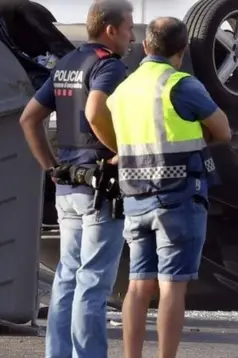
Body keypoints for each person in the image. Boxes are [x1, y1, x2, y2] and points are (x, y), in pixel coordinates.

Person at [102, 16, 231, 358]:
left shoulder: (123, 90)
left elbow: (108, 122)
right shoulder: (182, 85)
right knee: (172, 286)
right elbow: (224, 130)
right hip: (177, 197)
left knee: (138, 285)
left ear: (145, 46)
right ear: (183, 50)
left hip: (134, 198)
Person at [18, 1, 135, 357]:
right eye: (129, 28)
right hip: (100, 188)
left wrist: (50, 167)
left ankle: (58, 353)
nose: (132, 36)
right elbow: (95, 110)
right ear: (110, 29)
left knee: (67, 279)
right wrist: (121, 151)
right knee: (94, 284)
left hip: (67, 185)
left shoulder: (66, 64)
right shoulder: (108, 66)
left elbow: (28, 119)